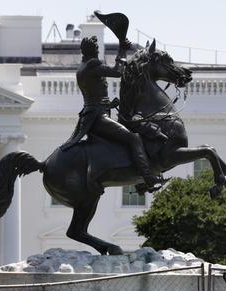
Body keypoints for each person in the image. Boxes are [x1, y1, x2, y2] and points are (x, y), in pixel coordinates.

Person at [60, 35, 165, 190]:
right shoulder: (92, 66)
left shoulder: (82, 68)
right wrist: (122, 49)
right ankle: (147, 179)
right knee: (134, 138)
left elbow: (93, 97)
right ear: (93, 51)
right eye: (96, 49)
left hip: (92, 114)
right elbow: (118, 72)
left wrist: (109, 104)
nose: (97, 52)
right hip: (98, 118)